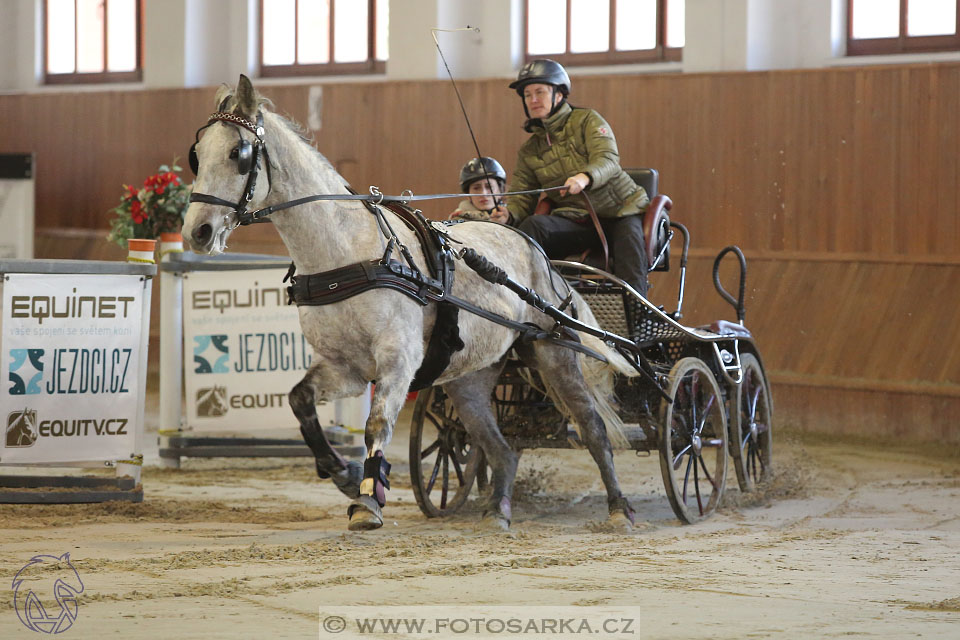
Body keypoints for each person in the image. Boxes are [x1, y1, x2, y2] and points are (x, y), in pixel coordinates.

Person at [505, 59, 649, 296]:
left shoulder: (588, 120)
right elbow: (521, 195)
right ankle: (533, 301)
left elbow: (608, 159)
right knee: (532, 226)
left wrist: (585, 177)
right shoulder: (529, 150)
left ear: (559, 94)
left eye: (540, 92)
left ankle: (637, 316)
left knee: (630, 248)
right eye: (528, 94)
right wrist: (509, 215)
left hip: (621, 211)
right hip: (577, 220)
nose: (533, 100)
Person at [449, 157, 510, 223]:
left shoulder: (513, 217)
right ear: (468, 194)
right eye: (476, 188)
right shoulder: (457, 221)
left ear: (501, 190)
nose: (483, 193)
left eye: (489, 187)